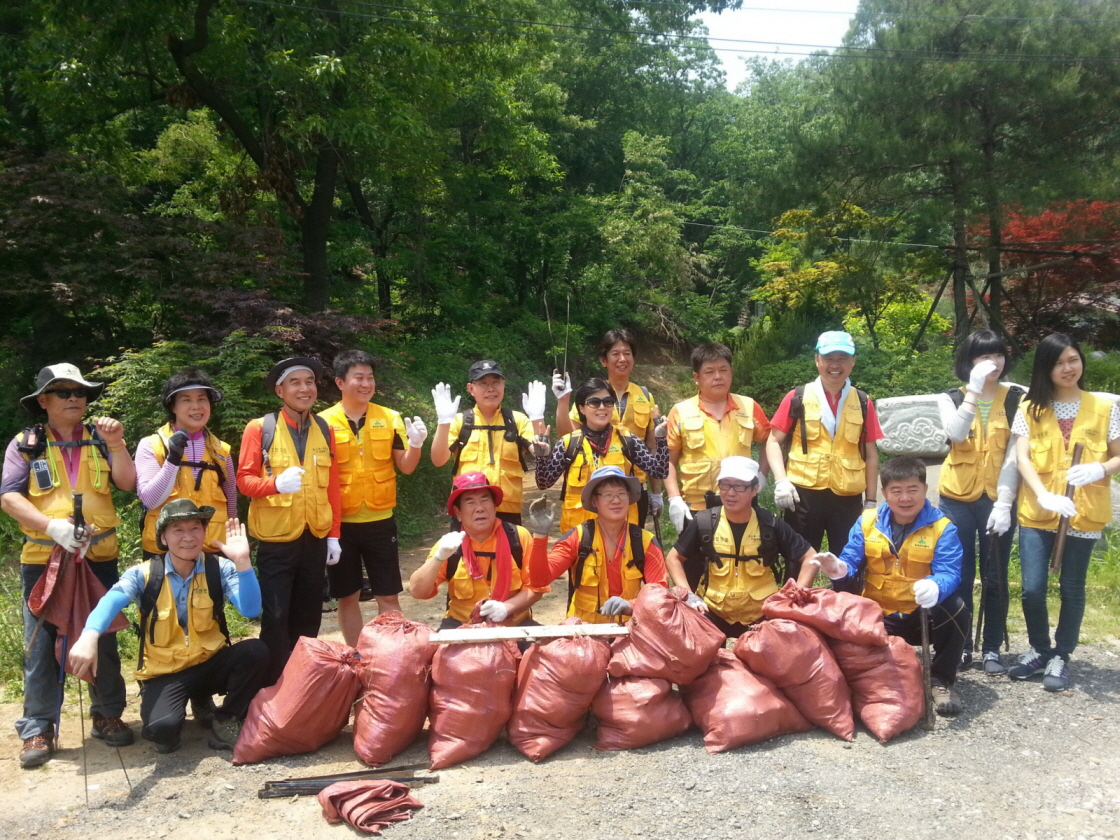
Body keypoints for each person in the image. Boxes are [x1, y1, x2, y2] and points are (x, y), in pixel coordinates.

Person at [1, 363, 136, 768]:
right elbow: (8, 496)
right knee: (41, 642)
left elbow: (128, 483)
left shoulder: (101, 437)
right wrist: (51, 526)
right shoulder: (27, 443)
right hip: (45, 558)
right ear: (43, 401)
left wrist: (117, 444)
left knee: (103, 634)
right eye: (63, 392)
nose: (74, 398)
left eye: (79, 392)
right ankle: (39, 726)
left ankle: (107, 712)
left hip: (99, 555)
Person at [67, 501, 269, 754]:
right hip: (165, 673)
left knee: (255, 651)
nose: (188, 537)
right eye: (178, 530)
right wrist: (89, 636)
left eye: (195, 528)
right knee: (162, 731)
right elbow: (110, 601)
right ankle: (183, 707)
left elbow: (251, 610)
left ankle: (226, 719)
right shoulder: (144, 574)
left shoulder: (220, 568)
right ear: (163, 537)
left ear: (204, 532)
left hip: (209, 663)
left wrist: (242, 561)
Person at [1007, 333, 1120, 692]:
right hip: (1038, 512)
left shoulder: (1104, 407)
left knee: (1072, 587)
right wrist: (1041, 495)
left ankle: (1062, 654)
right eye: (1058, 363)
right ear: (1046, 368)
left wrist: (1101, 469)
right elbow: (1022, 457)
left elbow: (1118, 454)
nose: (1067, 368)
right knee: (1032, 588)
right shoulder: (1030, 407)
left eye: (1073, 360)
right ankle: (1040, 649)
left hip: (1083, 510)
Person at [815, 456, 968, 716]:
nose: (905, 498)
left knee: (957, 608)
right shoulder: (867, 522)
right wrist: (838, 570)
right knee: (834, 599)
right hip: (878, 615)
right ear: (885, 493)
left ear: (924, 489)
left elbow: (950, 572)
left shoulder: (943, 528)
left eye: (912, 490)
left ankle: (941, 680)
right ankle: (848, 675)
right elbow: (850, 561)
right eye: (896, 491)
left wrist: (935, 586)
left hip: (920, 615)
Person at [237, 357, 341, 685]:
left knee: (309, 616)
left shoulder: (326, 429)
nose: (304, 388)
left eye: (309, 381)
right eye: (294, 382)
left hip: (315, 537)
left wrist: (335, 535)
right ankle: (273, 688)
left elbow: (333, 486)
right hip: (276, 540)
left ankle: (303, 685)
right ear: (280, 390)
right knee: (276, 617)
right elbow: (243, 480)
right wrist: (274, 485)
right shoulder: (260, 428)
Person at [318, 350, 427, 646]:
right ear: (341, 382)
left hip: (381, 520)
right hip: (340, 525)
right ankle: (356, 655)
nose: (366, 384)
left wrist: (416, 444)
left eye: (370, 378)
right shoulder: (322, 423)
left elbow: (406, 465)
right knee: (347, 595)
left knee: (388, 593)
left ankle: (393, 655)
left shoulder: (389, 418)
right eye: (359, 378)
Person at [937, 331, 1023, 674]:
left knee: (995, 574)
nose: (993, 363)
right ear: (969, 361)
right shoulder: (950, 397)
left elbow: (1016, 455)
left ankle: (991, 649)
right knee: (958, 574)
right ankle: (959, 647)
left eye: (998, 355)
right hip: (956, 496)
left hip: (998, 498)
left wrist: (1004, 502)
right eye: (983, 357)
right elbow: (956, 435)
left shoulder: (1018, 397)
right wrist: (973, 390)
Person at [765, 331, 883, 568]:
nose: (835, 365)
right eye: (829, 358)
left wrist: (870, 501)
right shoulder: (797, 396)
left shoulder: (862, 401)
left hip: (847, 497)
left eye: (842, 358)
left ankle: (846, 604)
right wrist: (781, 481)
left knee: (849, 563)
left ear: (853, 361)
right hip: (803, 495)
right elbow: (772, 440)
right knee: (798, 563)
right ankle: (796, 604)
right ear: (817, 359)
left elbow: (871, 454)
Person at [665, 456, 816, 638]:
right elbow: (673, 558)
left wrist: (795, 597)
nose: (730, 493)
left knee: (772, 660)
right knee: (702, 660)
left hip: (762, 613)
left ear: (754, 489)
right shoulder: (704, 521)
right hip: (713, 610)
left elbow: (811, 558)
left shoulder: (771, 523)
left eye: (739, 486)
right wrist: (689, 595)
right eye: (725, 485)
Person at [408, 472, 548, 629]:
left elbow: (536, 588)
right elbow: (417, 591)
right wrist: (438, 558)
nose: (480, 508)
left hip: (514, 624)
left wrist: (506, 607)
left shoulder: (519, 537)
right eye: (470, 502)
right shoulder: (450, 545)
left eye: (485, 500)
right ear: (458, 513)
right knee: (434, 653)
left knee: (544, 652)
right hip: (462, 626)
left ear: (495, 507)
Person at [529, 465, 667, 623]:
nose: (616, 500)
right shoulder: (577, 538)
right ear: (595, 501)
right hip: (583, 631)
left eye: (622, 494)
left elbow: (660, 595)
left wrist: (631, 606)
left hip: (630, 630)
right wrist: (540, 535)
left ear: (629, 498)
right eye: (608, 495)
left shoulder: (645, 541)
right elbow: (539, 580)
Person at [552, 329, 663, 521]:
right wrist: (562, 402)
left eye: (627, 353)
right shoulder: (592, 395)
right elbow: (567, 438)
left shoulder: (645, 396)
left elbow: (652, 447)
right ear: (604, 360)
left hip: (633, 490)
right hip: (594, 490)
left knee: (630, 546)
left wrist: (656, 493)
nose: (622, 359)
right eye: (615, 354)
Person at [535, 377, 668, 533]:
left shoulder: (628, 440)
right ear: (582, 408)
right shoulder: (569, 443)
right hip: (579, 534)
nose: (602, 407)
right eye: (594, 402)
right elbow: (544, 483)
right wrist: (542, 457)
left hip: (621, 533)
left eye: (608, 402)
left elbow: (659, 471)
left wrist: (661, 440)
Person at [664, 343, 771, 533]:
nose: (718, 376)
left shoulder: (749, 406)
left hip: (743, 503)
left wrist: (761, 475)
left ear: (731, 373)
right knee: (696, 561)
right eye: (710, 371)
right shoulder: (680, 411)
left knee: (745, 559)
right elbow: (668, 461)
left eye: (723, 370)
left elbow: (770, 442)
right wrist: (674, 498)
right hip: (697, 506)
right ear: (696, 377)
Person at [430, 361, 547, 525]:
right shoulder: (460, 421)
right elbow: (438, 459)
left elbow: (541, 453)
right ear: (471, 389)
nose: (491, 388)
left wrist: (537, 417)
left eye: (496, 382)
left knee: (510, 551)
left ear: (503, 385)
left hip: (507, 510)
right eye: (483, 383)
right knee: (464, 552)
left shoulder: (517, 420)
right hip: (468, 510)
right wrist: (443, 422)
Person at [135, 369, 236, 559]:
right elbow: (150, 500)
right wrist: (173, 459)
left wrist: (234, 542)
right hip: (164, 552)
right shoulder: (151, 445)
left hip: (213, 549)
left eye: (202, 399)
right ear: (172, 406)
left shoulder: (221, 451)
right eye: (186, 400)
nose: (196, 406)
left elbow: (231, 499)